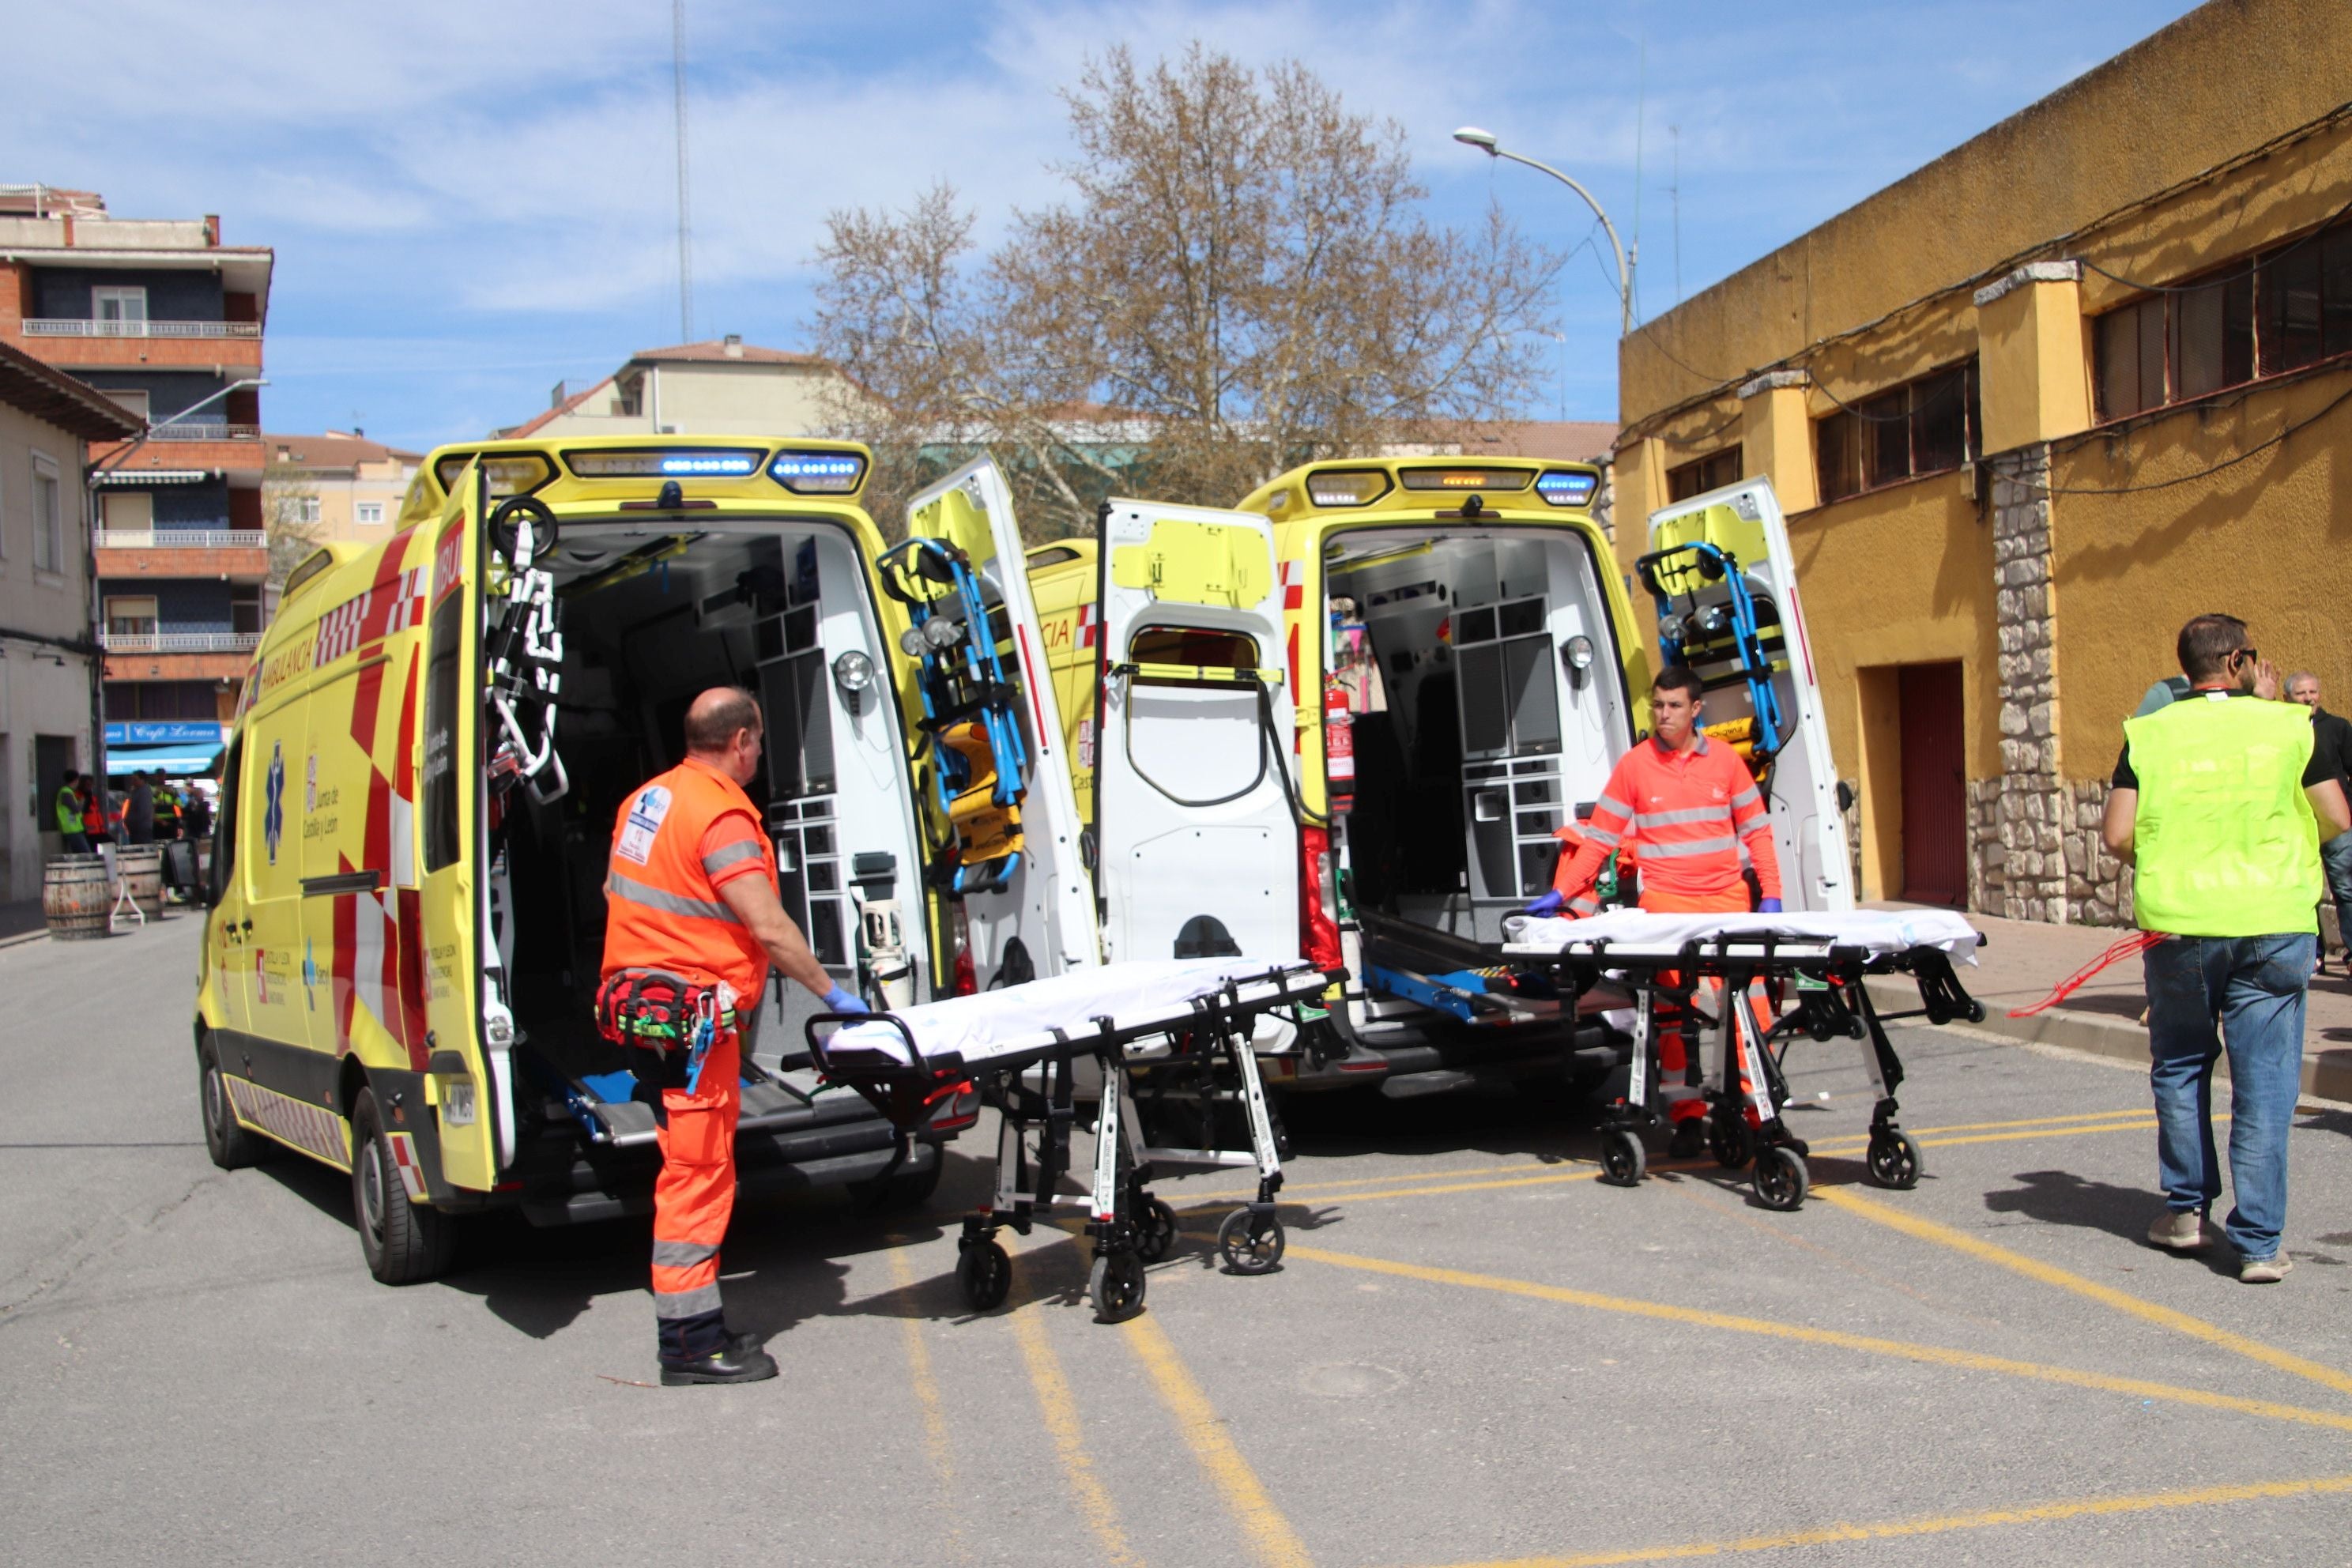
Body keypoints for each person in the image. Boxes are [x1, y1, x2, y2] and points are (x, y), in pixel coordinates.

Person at [599, 687, 869, 1386]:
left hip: (647, 1015)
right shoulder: (720, 816)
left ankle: (697, 1326)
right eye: (757, 743)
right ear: (742, 740)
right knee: (697, 1177)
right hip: (692, 1030)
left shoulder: (648, 801)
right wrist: (834, 996)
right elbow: (769, 926)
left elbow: (623, 897)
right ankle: (689, 1344)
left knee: (686, 1166)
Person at [2101, 616, 2350, 1283]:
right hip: (2273, 922)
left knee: (2181, 1065)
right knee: (2265, 1084)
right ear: (2238, 661)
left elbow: (2119, 836)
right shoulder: (2287, 727)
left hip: (2182, 924)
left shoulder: (2148, 734)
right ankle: (2261, 1244)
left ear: (2187, 668)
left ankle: (2186, 1214)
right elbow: (2336, 818)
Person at [1531, 665, 1785, 1157]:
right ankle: (1686, 1114)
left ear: (1696, 710)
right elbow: (1600, 838)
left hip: (1728, 901)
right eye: (1658, 705)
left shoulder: (1728, 765)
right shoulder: (1635, 766)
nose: (1663, 715)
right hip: (1666, 906)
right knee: (1671, 1015)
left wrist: (1769, 893)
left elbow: (1758, 833)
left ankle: (1759, 1110)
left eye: (1673, 706)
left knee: (1749, 1007)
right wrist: (1561, 894)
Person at [2285, 672, 2352, 972]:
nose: (2309, 697)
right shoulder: (2281, 730)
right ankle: (2313, 954)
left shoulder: (2337, 728)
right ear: (2287, 697)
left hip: (2336, 825)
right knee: (2304, 891)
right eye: (2301, 693)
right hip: (2298, 823)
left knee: (2347, 889)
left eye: (2313, 691)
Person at [55, 770, 89, 854]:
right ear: (76, 780)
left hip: (73, 828)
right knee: (86, 854)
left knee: (81, 854)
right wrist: (82, 801)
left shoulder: (67, 792)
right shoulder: (66, 792)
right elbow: (76, 809)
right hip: (71, 829)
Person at [124, 771, 156, 846]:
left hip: (141, 829)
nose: (133, 782)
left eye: (135, 779)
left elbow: (143, 812)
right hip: (135, 829)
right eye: (132, 779)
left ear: (143, 780)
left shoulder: (144, 793)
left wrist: (131, 822)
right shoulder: (135, 792)